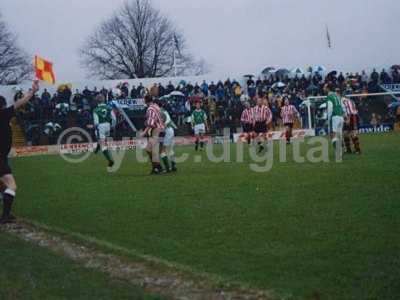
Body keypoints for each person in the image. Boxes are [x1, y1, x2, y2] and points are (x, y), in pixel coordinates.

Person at [0, 80, 39, 224]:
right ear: (3, 106)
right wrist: (33, 91)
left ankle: (6, 215)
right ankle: (5, 216)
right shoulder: (3, 114)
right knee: (11, 186)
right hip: (0, 158)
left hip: (2, 158)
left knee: (4, 186)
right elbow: (21, 102)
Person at [141, 95, 165, 174]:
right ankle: (156, 168)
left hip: (156, 130)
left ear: (145, 100)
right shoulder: (155, 107)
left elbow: (151, 123)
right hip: (159, 129)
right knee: (149, 149)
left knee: (152, 150)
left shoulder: (150, 109)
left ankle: (158, 168)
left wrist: (144, 132)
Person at [92, 94, 116, 168]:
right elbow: (114, 118)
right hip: (108, 125)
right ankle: (98, 146)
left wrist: (94, 126)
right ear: (104, 100)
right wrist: (113, 125)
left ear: (97, 101)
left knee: (102, 143)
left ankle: (110, 160)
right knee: (102, 139)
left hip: (101, 126)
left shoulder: (95, 110)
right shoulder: (109, 107)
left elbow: (96, 123)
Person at [324, 85, 344, 151]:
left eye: (324, 87)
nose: (323, 88)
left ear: (328, 89)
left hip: (334, 117)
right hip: (340, 116)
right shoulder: (337, 95)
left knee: (332, 135)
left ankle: (338, 150)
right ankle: (343, 148)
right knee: (339, 134)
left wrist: (328, 120)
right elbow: (341, 106)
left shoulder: (329, 96)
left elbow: (330, 108)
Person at [160, 102, 178, 172]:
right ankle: (173, 166)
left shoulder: (162, 113)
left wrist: (160, 129)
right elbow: (169, 122)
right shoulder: (165, 112)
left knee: (162, 151)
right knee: (170, 150)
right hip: (171, 131)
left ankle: (167, 168)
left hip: (168, 131)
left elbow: (166, 124)